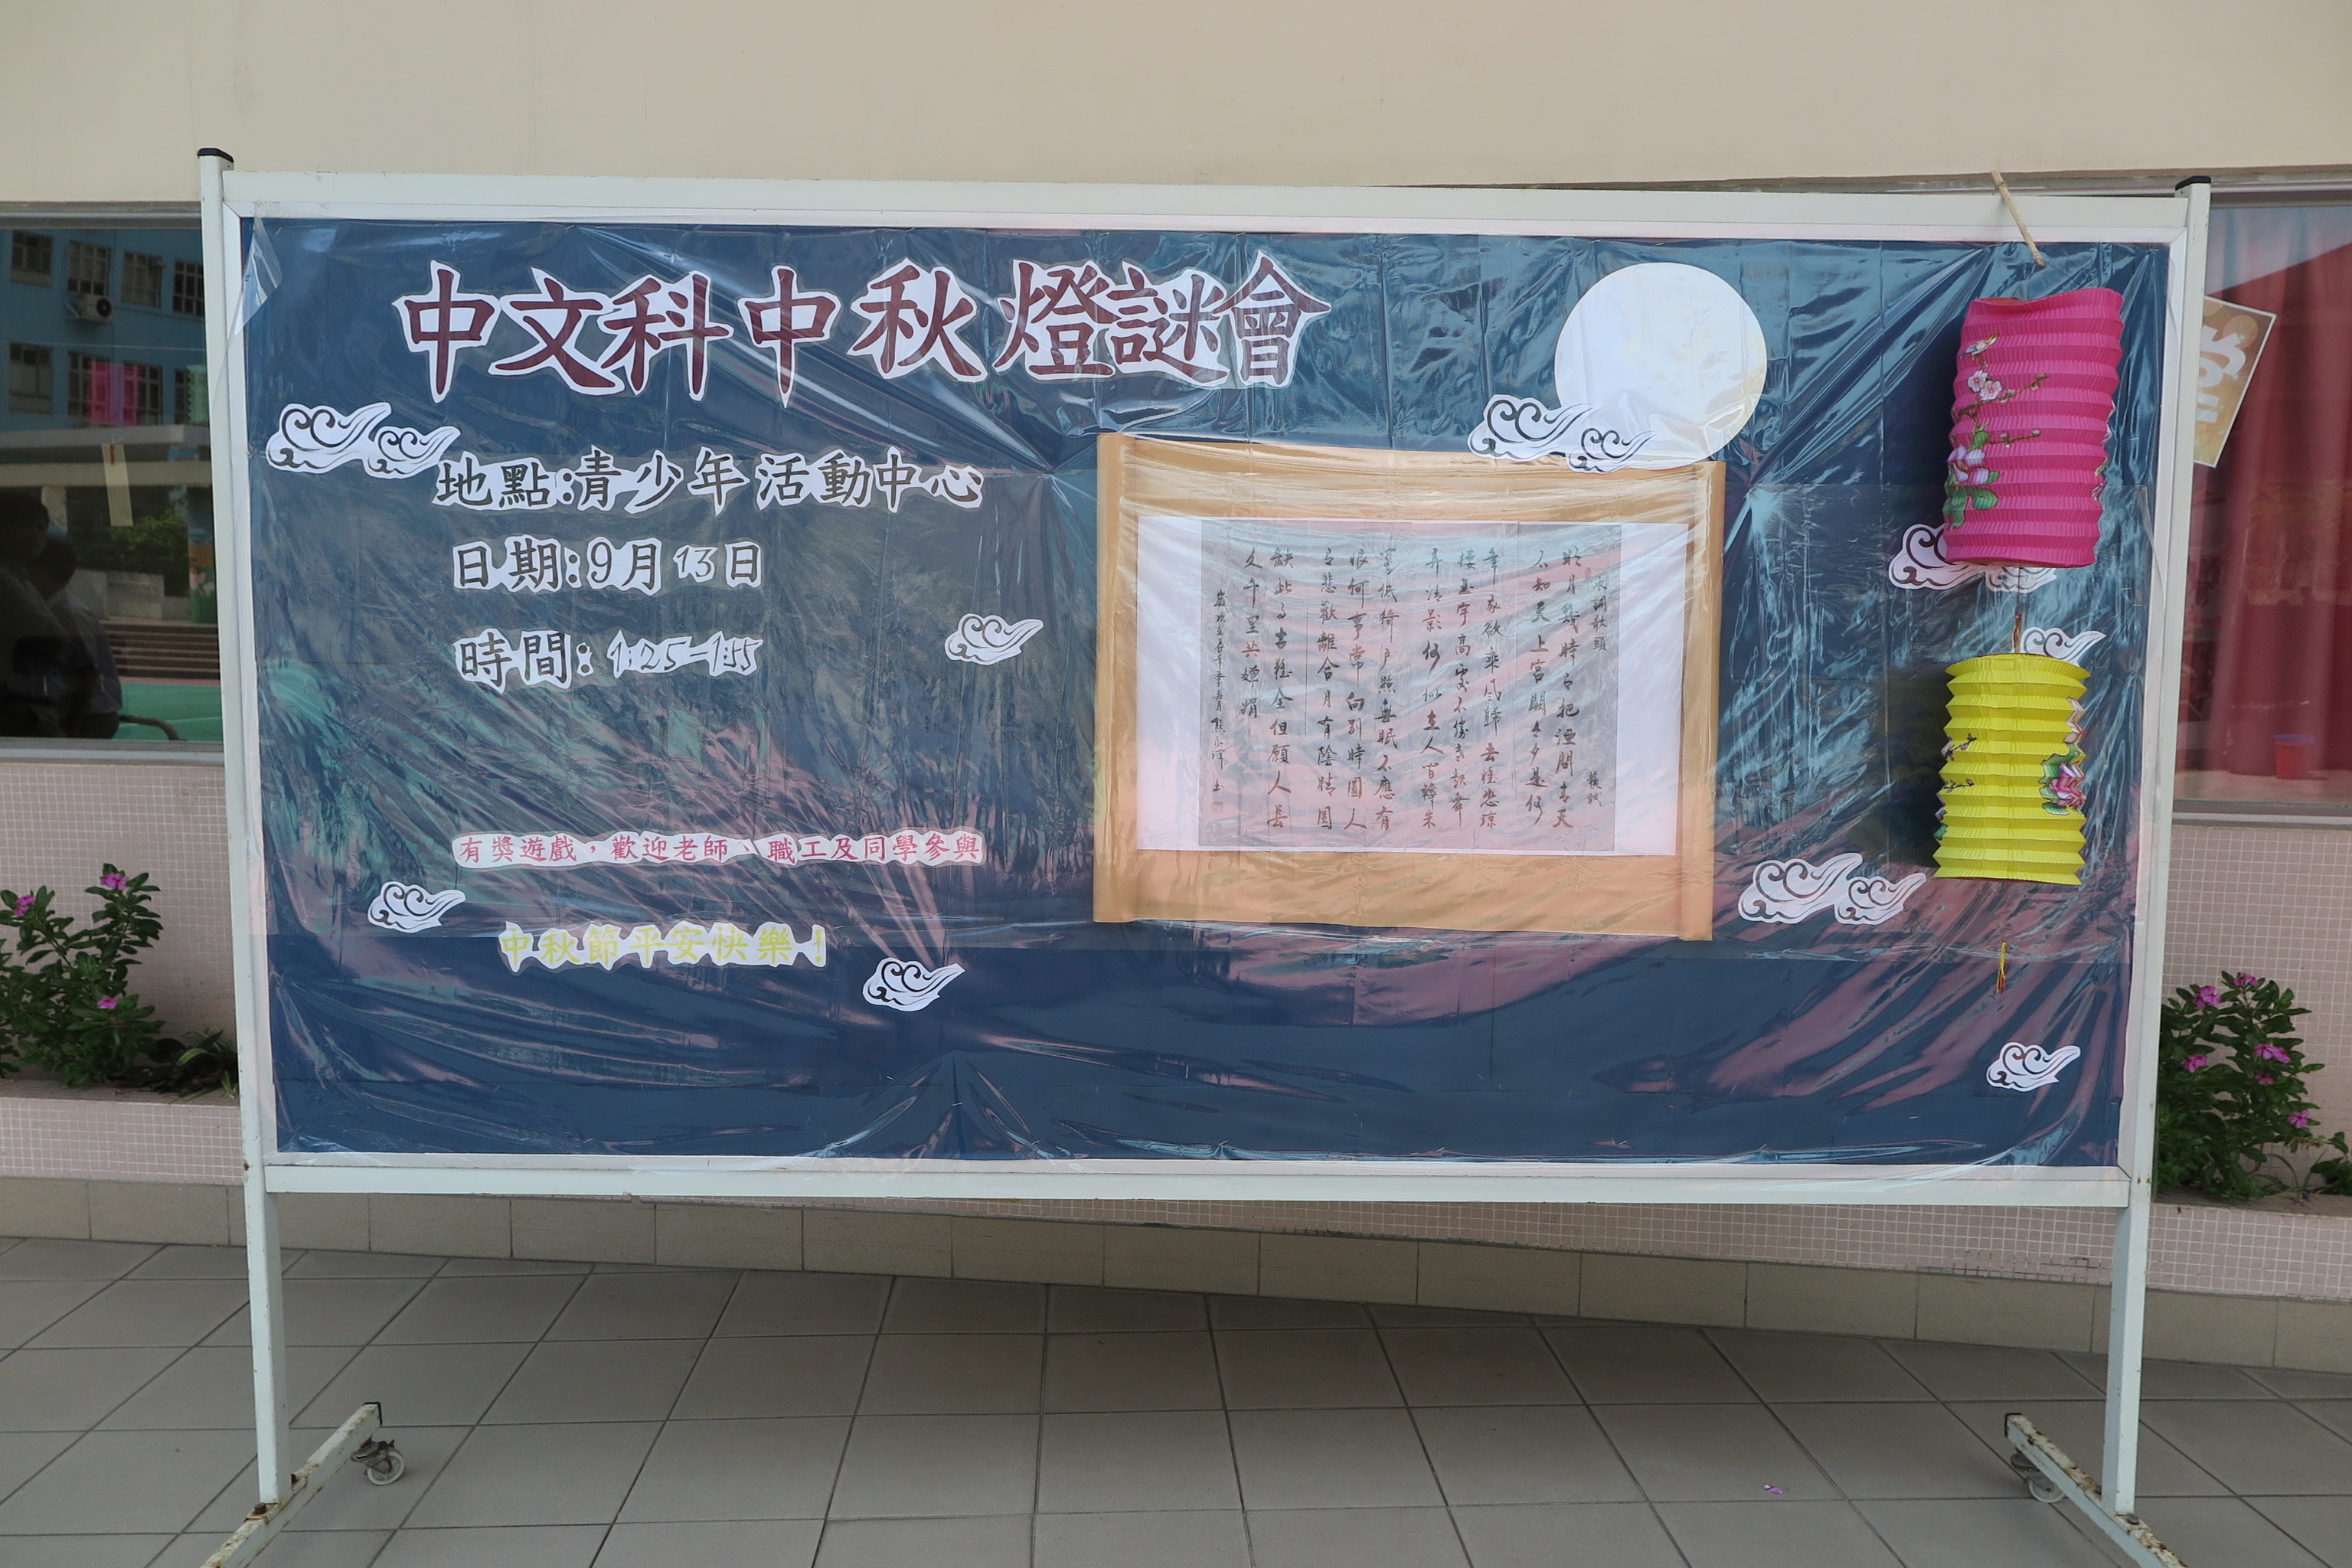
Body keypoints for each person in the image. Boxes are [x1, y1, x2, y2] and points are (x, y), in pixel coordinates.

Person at [28, 535, 122, 739]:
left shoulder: (68, 613)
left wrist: (72, 725)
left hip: (89, 718)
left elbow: (87, 674)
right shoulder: (51, 609)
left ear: (39, 572)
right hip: (76, 715)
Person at [0, 491, 68, 737]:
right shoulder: (5, 581)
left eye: (43, 529)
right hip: (18, 709)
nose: (39, 537)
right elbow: (56, 643)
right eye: (32, 527)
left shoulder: (21, 579)